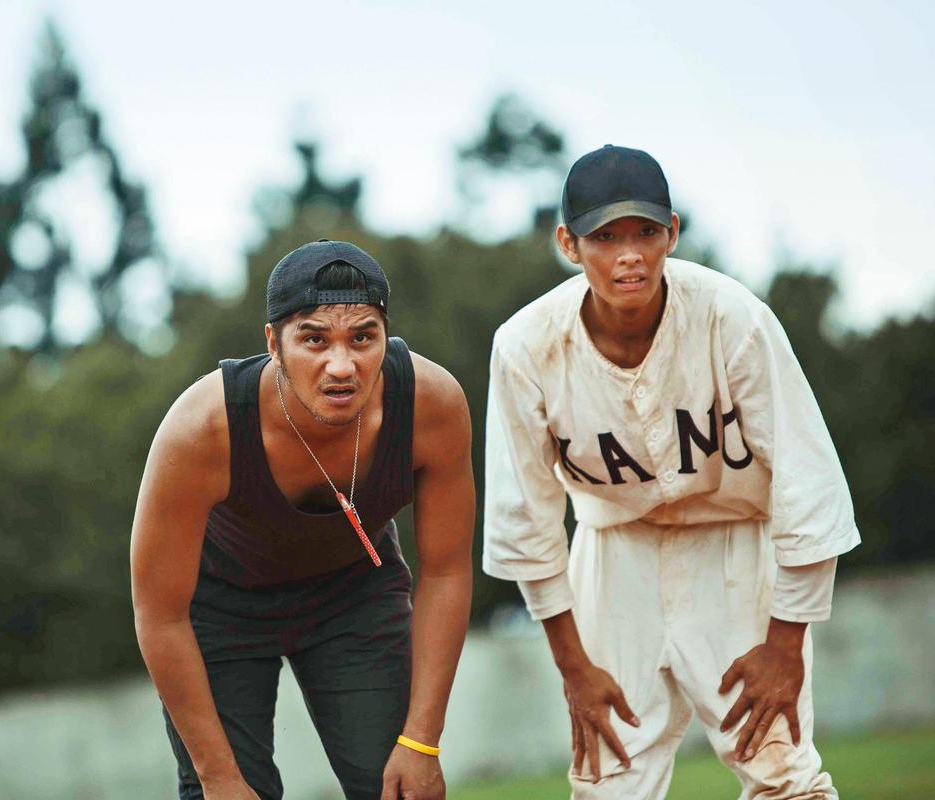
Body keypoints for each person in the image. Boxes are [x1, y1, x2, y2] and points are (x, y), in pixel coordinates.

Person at [483, 145, 859, 799]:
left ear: (672, 234)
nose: (628, 254)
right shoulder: (526, 347)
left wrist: (786, 644)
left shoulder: (730, 317)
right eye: (605, 236)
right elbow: (526, 521)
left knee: (781, 770)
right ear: (569, 244)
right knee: (607, 781)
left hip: (733, 540)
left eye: (645, 233)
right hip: (612, 551)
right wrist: (573, 667)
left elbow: (809, 481)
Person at [130, 239, 475, 800]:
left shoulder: (430, 405)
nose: (341, 366)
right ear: (274, 343)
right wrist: (218, 780)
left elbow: (446, 573)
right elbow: (159, 614)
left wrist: (423, 741)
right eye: (314, 339)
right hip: (222, 608)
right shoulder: (201, 429)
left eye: (363, 338)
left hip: (354, 595)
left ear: (385, 335)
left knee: (399, 788)